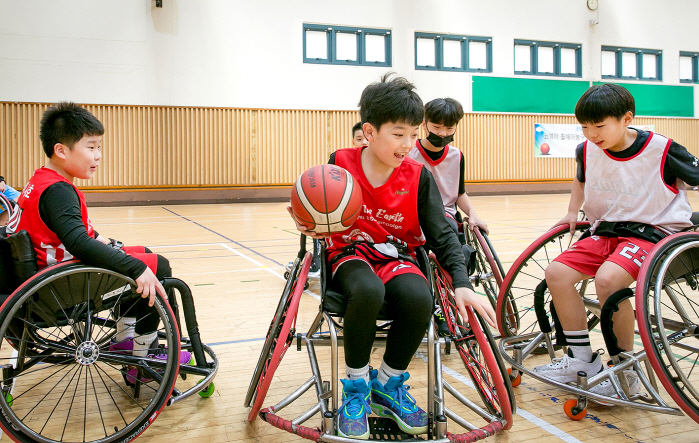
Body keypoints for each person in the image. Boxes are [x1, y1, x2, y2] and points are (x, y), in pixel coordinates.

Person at [289, 74, 496, 439]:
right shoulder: (340, 162)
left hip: (395, 254)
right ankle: (356, 387)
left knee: (420, 297)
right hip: (350, 253)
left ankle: (386, 382)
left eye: (414, 135)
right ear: (369, 132)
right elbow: (319, 207)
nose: (408, 144)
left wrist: (462, 283)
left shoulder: (418, 176)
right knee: (367, 291)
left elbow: (442, 234)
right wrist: (310, 221)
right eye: (398, 134)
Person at [533, 84, 699, 400]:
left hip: (653, 233)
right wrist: (571, 211)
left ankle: (626, 371)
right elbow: (580, 179)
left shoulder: (662, 149)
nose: (592, 134)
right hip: (605, 231)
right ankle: (581, 359)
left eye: (599, 126)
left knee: (608, 280)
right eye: (584, 127)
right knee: (556, 274)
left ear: (626, 119)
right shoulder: (586, 150)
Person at [6, 102, 191, 383]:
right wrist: (135, 268)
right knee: (157, 266)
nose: (98, 155)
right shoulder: (58, 191)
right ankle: (144, 353)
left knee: (144, 253)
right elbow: (78, 242)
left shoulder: (41, 180)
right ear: (61, 150)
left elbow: (74, 232)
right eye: (91, 147)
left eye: (99, 147)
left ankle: (124, 340)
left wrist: (116, 248)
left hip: (47, 276)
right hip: (60, 286)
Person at [408, 98, 488, 237]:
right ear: (424, 125)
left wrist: (473, 214)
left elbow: (460, 193)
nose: (443, 133)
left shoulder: (456, 155)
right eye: (437, 127)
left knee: (448, 231)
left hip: (445, 215)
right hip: (413, 212)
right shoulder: (408, 151)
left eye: (449, 128)